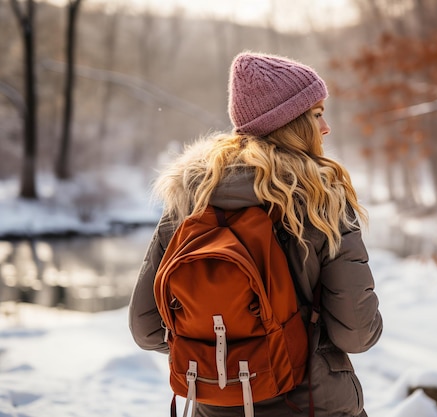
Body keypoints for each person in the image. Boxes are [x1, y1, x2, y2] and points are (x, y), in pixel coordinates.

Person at [128, 51, 383, 417]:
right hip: (314, 404)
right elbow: (356, 334)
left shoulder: (190, 199)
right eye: (316, 115)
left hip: (216, 406)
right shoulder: (319, 200)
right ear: (288, 124)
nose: (325, 127)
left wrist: (228, 352)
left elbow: (146, 327)